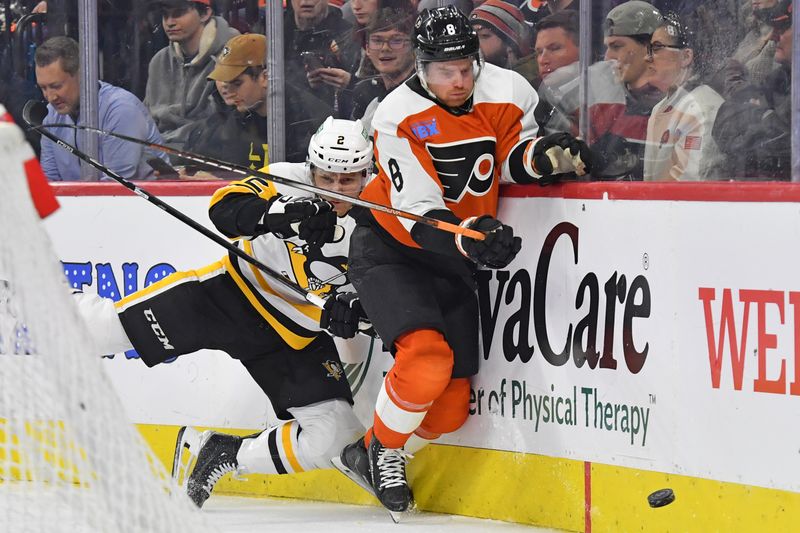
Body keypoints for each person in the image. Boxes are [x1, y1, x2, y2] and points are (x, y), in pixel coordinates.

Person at [335, 5, 590, 514]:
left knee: (450, 410)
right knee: (426, 359)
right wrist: (472, 234)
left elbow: (507, 156)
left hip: (454, 251)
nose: (459, 80)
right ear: (421, 67)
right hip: (392, 248)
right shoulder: (394, 116)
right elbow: (417, 212)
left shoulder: (509, 89)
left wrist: (541, 160)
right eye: (445, 71)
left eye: (466, 66)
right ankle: (385, 450)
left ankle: (366, 449)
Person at [74, 117, 375, 508]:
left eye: (348, 180)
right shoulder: (286, 179)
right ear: (310, 167)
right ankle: (19, 294)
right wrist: (276, 213)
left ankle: (219, 452)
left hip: (294, 335)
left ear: (367, 174)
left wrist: (355, 311)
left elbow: (383, 294)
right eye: (325, 177)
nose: (336, 190)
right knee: (97, 331)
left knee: (336, 435)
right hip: (228, 295)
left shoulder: (380, 218)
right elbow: (225, 208)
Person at [34, 36, 169, 181]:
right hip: (86, 201)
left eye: (56, 86)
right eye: (43, 88)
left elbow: (114, 187)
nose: (50, 97)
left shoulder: (121, 109)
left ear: (82, 76)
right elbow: (50, 183)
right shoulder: (51, 117)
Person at [144, 0, 239, 149]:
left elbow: (222, 125)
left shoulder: (232, 52)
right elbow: (147, 119)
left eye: (179, 13)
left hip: (208, 154)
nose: (169, 22)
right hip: (162, 152)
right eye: (165, 15)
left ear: (205, 13)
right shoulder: (159, 61)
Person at [712, 0, 791, 180]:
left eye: (783, 27)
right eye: (773, 27)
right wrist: (764, 117)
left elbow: (781, 146)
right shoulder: (779, 78)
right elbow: (724, 116)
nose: (773, 36)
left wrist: (760, 116)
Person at [642, 12, 724, 181]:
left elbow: (692, 189)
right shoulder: (660, 108)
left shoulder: (702, 106)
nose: (647, 58)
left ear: (686, 56)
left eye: (656, 48)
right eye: (648, 49)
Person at [350, 7, 416, 137]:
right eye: (377, 41)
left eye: (396, 40)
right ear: (367, 49)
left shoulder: (423, 93)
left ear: (413, 46)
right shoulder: (364, 92)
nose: (385, 48)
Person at [469, 0, 537, 85]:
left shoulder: (528, 84)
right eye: (472, 37)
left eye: (484, 36)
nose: (475, 44)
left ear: (510, 45)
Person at [534, 9, 579, 82]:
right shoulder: (535, 91)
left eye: (554, 49)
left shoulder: (599, 91)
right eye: (540, 52)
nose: (542, 60)